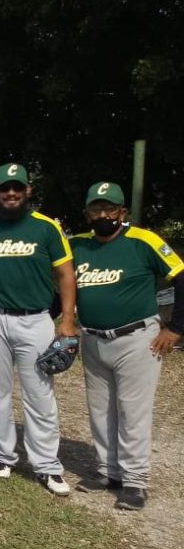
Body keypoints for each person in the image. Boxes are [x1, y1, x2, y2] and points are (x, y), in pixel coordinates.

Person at [0, 163, 77, 496]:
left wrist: (67, 321)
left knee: (39, 393)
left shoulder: (46, 227)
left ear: (28, 191)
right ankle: (3, 456)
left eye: (17, 187)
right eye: (4, 187)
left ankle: (47, 464)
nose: (11, 193)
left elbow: (66, 274)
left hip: (36, 318)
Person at [70, 181, 184, 510]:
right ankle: (109, 471)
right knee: (100, 409)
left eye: (109, 208)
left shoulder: (144, 240)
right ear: (87, 213)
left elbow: (181, 278)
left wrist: (176, 328)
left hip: (136, 338)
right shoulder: (78, 245)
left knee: (133, 412)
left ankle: (135, 481)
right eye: (96, 208)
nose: (103, 214)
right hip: (93, 338)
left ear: (122, 212)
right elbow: (59, 286)